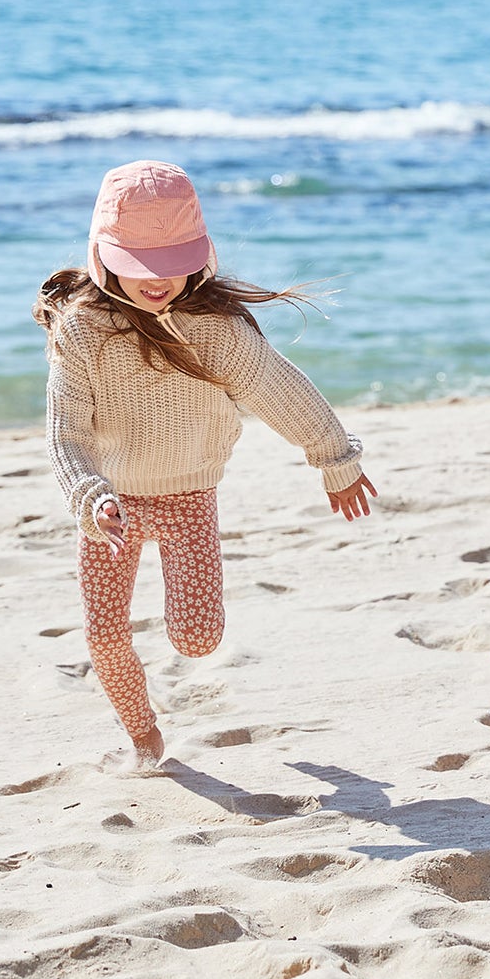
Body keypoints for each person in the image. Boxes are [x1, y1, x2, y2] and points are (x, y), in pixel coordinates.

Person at [34, 160, 376, 766]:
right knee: (105, 634)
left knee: (197, 638)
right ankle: (143, 735)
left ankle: (173, 679)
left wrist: (335, 456)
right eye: (141, 266)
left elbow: (279, 389)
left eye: (172, 262)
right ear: (102, 256)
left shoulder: (214, 326)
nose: (158, 281)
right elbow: (67, 435)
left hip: (189, 496)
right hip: (109, 507)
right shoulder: (81, 329)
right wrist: (90, 496)